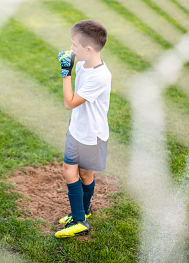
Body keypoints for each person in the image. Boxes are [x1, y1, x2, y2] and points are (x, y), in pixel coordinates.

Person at [55, 19, 112, 238]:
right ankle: (80, 216)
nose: (71, 49)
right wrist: (71, 65)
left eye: (74, 46)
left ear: (88, 49)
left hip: (92, 135)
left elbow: (69, 102)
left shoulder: (100, 77)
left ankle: (83, 215)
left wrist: (65, 73)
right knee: (70, 171)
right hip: (76, 130)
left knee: (86, 175)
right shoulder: (82, 64)